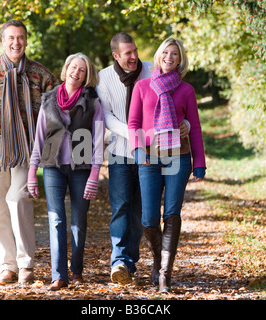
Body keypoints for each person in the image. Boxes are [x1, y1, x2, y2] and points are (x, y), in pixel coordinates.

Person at [0, 20, 58, 284]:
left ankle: (25, 263)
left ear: (26, 41)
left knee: (17, 199)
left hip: (27, 149)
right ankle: (7, 265)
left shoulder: (40, 74)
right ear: (3, 41)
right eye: (11, 38)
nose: (16, 43)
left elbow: (56, 108)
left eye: (20, 38)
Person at [97, 33, 190, 285]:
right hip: (121, 151)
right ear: (116, 55)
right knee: (120, 207)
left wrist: (187, 123)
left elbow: (175, 100)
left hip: (152, 155)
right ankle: (119, 261)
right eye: (127, 53)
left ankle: (134, 263)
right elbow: (107, 117)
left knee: (142, 212)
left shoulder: (152, 69)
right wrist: (136, 135)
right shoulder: (103, 78)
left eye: (135, 50)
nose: (134, 56)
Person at [128, 38, 206, 292]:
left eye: (175, 54)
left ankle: (165, 274)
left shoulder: (186, 90)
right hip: (149, 158)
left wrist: (199, 162)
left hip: (179, 157)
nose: (170, 57)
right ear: (159, 55)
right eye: (166, 52)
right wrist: (138, 150)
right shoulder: (142, 87)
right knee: (149, 218)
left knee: (172, 214)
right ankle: (157, 260)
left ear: (180, 60)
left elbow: (194, 128)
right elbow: (134, 123)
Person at [27, 53, 105, 291]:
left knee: (78, 222)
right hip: (52, 168)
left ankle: (77, 270)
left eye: (82, 70)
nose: (76, 72)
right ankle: (59, 275)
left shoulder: (93, 103)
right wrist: (32, 172)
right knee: (56, 219)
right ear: (66, 69)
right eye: (73, 67)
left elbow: (99, 141)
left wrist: (94, 174)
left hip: (81, 168)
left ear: (86, 75)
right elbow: (39, 136)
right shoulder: (48, 99)